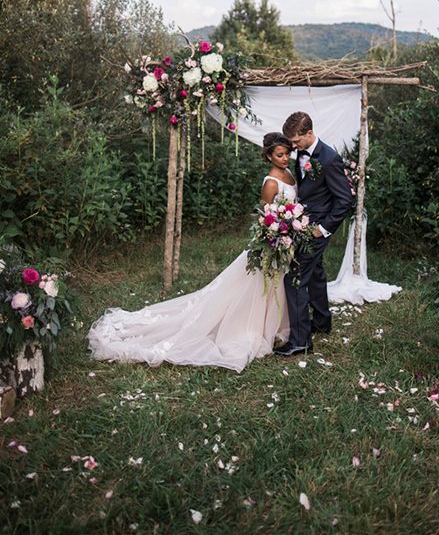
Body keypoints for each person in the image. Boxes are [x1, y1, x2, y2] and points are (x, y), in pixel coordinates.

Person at [87, 133, 294, 373]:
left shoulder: (289, 175)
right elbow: (266, 217)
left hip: (286, 240)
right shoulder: (271, 183)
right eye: (280, 155)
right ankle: (249, 327)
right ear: (269, 155)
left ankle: (276, 325)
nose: (285, 158)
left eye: (288, 153)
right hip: (273, 240)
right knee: (256, 288)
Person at [274, 112, 354, 357]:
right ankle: (321, 321)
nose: (293, 147)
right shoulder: (301, 153)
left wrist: (323, 229)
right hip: (302, 222)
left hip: (317, 227)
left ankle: (301, 341)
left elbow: (345, 200)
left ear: (309, 133)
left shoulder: (329, 159)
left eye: (296, 141)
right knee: (315, 272)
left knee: (295, 278)